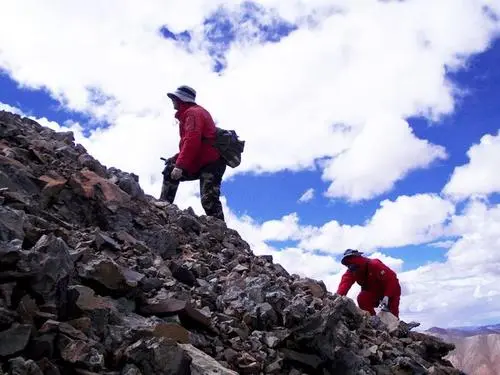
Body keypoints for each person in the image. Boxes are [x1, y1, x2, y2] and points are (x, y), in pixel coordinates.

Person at [160, 85, 226, 221]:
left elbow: (192, 141)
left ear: (181, 99)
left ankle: (222, 234)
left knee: (209, 199)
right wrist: (175, 158)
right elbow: (193, 143)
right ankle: (164, 207)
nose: (172, 100)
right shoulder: (190, 114)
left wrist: (180, 165)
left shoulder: (193, 113)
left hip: (212, 163)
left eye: (174, 98)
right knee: (170, 170)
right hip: (203, 161)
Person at [336, 249, 401, 317]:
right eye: (348, 264)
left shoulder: (375, 265)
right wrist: (338, 298)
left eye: (351, 260)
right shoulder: (352, 270)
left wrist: (387, 295)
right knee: (362, 298)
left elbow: (392, 280)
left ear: (357, 258)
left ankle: (396, 324)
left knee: (393, 313)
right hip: (373, 292)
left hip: (391, 289)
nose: (349, 265)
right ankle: (372, 319)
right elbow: (344, 284)